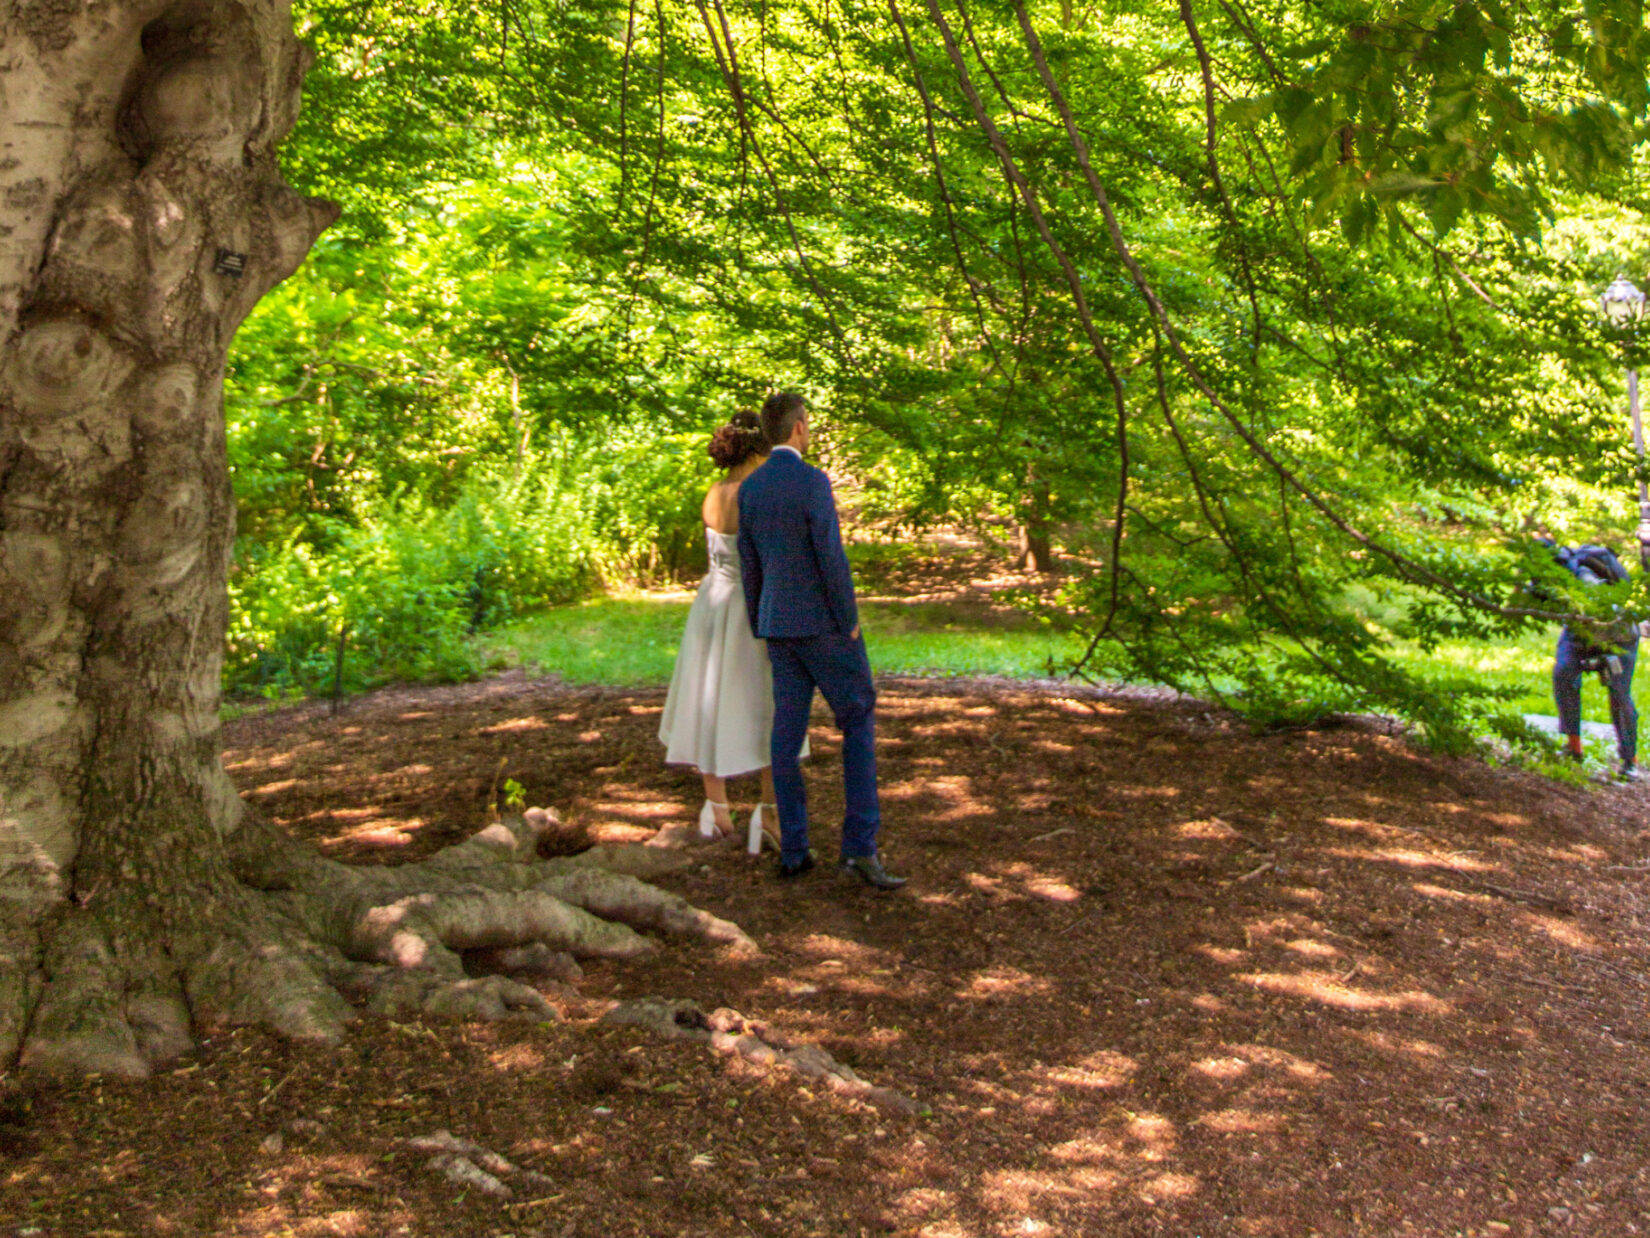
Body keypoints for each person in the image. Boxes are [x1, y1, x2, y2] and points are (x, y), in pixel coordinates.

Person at [737, 392, 906, 888]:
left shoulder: (750, 488)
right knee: (857, 722)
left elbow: (751, 567)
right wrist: (849, 617)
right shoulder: (812, 481)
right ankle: (858, 847)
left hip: (778, 628)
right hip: (825, 627)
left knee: (785, 738)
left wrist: (759, 623)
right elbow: (830, 554)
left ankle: (794, 848)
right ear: (799, 429)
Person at [658, 410, 803, 845]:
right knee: (770, 707)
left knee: (710, 701)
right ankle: (770, 813)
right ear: (760, 449)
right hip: (751, 609)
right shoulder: (756, 494)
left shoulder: (713, 493)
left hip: (711, 606)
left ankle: (716, 809)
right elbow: (768, 560)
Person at [1550, 542, 1640, 781]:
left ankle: (1630, 760)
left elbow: (1605, 613)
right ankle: (1574, 749)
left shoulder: (1585, 578)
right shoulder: (1554, 580)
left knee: (1619, 694)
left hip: (1618, 637)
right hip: (1579, 635)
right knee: (1563, 674)